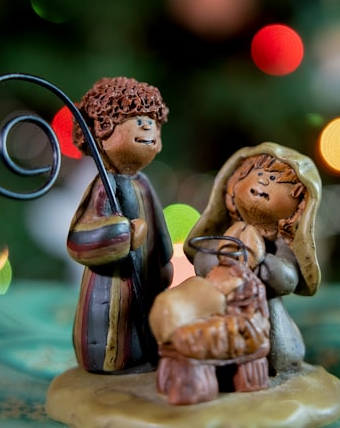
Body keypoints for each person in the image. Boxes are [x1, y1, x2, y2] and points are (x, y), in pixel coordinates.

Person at [184, 142, 322, 375]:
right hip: (220, 307)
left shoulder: (280, 244)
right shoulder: (222, 235)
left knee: (266, 352)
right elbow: (202, 260)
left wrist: (260, 264)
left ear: (299, 205)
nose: (263, 182)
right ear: (234, 183)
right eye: (258, 173)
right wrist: (222, 258)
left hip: (264, 317)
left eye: (279, 181)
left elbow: (288, 277)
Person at [67, 76, 173, 374]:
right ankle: (113, 365)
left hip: (149, 280)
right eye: (137, 119)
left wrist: (164, 259)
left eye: (153, 120)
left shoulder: (144, 184)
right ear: (102, 132)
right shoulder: (103, 188)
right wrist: (124, 234)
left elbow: (160, 228)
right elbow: (78, 239)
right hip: (111, 288)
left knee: (149, 333)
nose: (148, 127)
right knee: (117, 338)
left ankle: (148, 358)